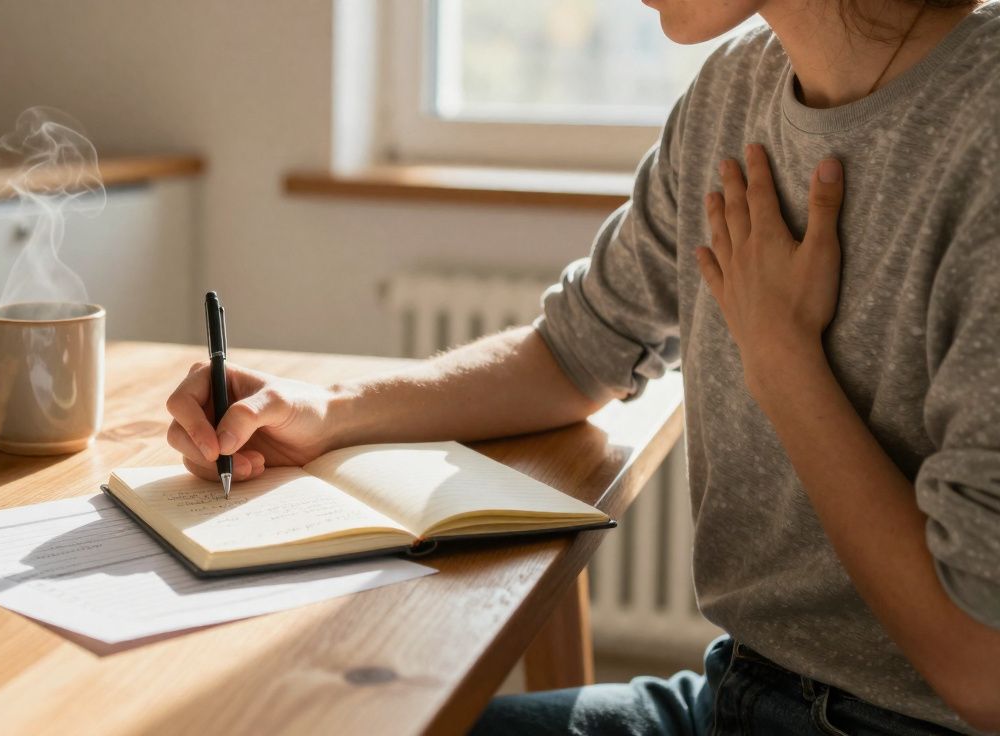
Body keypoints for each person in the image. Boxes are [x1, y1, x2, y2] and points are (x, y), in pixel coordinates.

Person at [164, 0, 1000, 733]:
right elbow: (574, 353)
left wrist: (783, 363)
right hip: (738, 692)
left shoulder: (984, 129)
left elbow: (982, 668)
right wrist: (332, 409)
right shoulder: (731, 93)